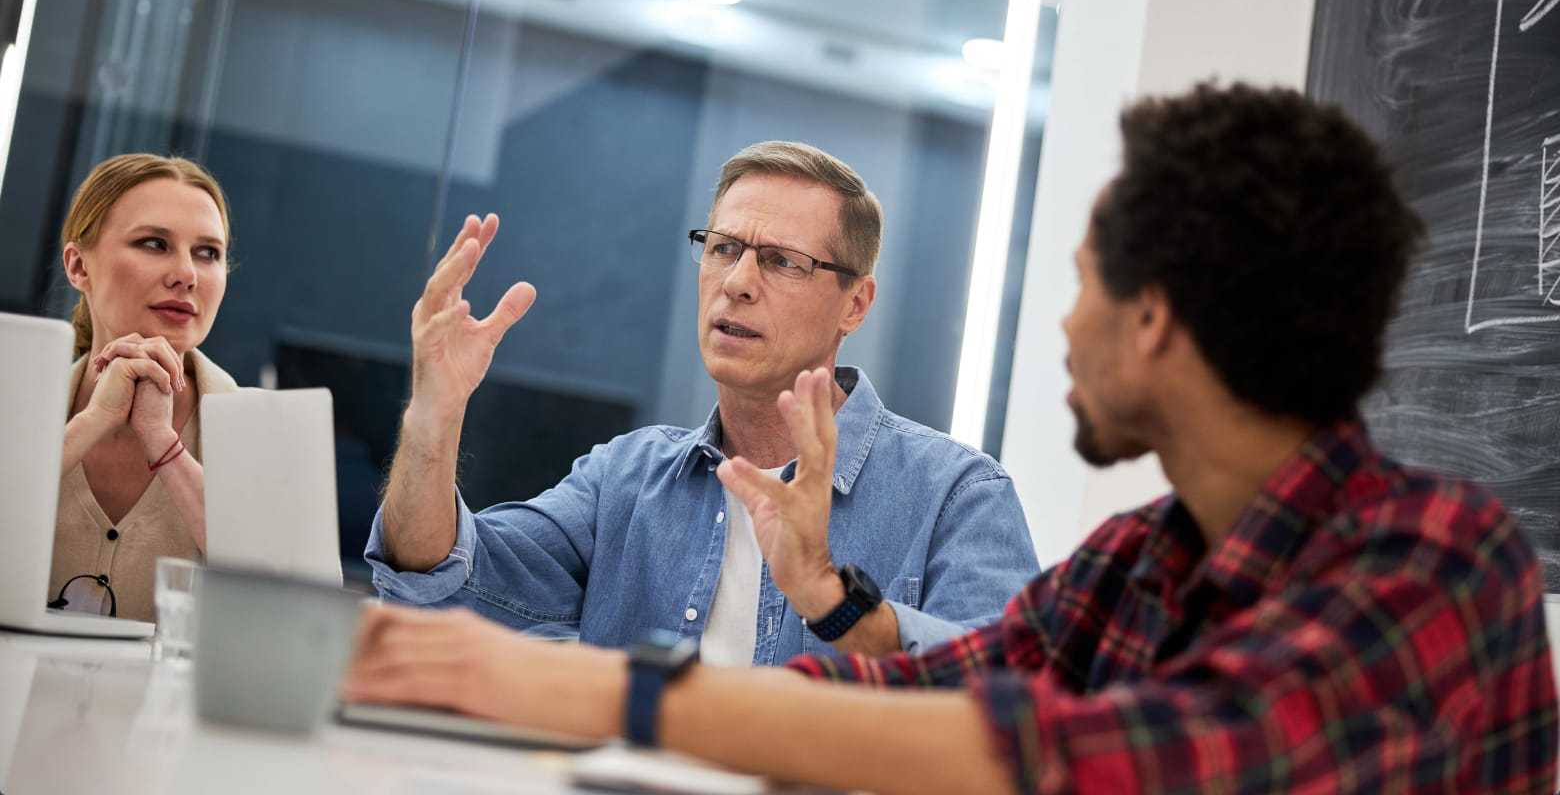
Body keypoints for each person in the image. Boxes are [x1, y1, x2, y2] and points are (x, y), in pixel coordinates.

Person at [343, 83, 1557, 793]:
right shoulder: (1141, 559)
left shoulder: (1440, 560)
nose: (1066, 324)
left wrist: (594, 685)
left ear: (1157, 319)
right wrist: (830, 603)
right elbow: (953, 677)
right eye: (724, 248)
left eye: (1082, 285)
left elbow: (1128, 755)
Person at [366, 141, 1038, 664]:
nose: (737, 283)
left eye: (781, 261)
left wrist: (835, 601)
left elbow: (1014, 700)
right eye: (723, 248)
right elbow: (439, 586)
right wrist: (434, 415)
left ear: (855, 303)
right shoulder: (623, 480)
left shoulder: (956, 495)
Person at [49, 153, 240, 623]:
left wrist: (164, 444)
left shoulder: (259, 432)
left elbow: (289, 610)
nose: (186, 274)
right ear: (78, 266)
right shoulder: (14, 402)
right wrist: (91, 423)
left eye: (207, 253)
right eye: (155, 243)